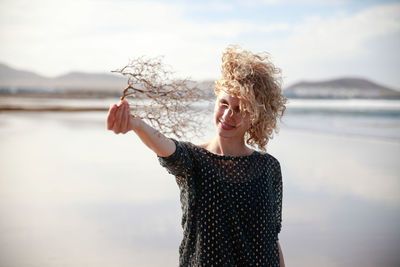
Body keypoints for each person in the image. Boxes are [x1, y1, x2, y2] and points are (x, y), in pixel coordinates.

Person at [106, 45, 287, 266]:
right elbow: (165, 146)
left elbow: (272, 238)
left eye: (239, 110)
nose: (228, 115)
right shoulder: (193, 160)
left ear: (256, 117)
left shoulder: (269, 167)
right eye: (223, 103)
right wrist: (137, 125)